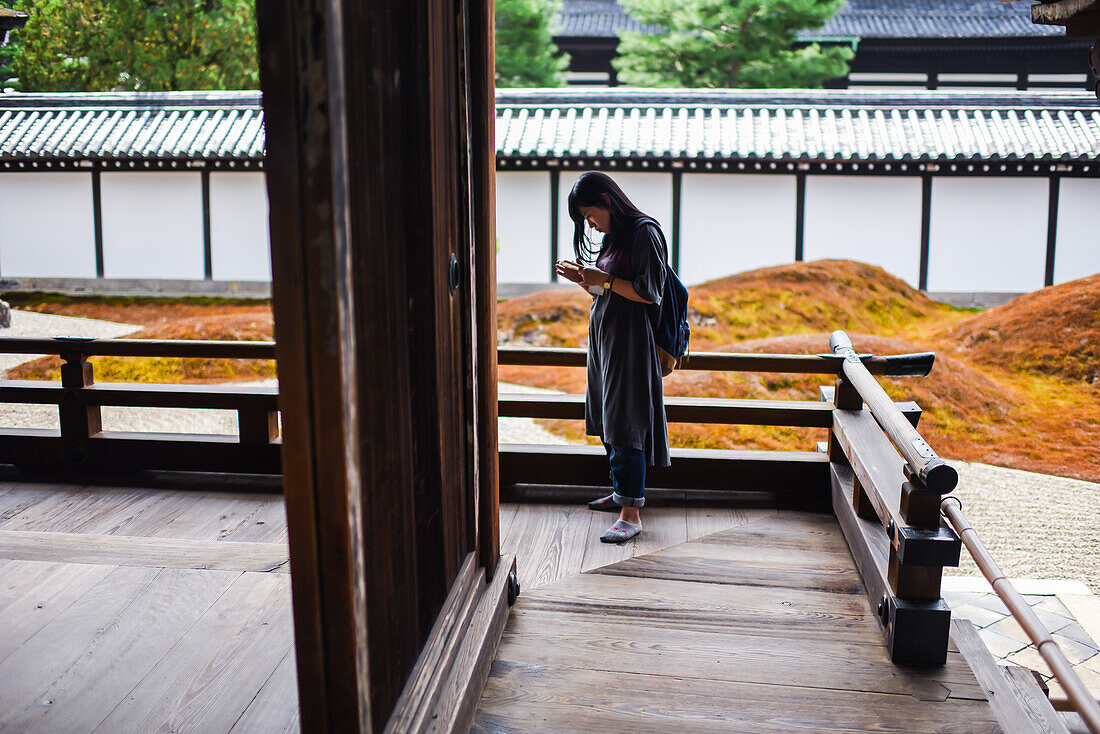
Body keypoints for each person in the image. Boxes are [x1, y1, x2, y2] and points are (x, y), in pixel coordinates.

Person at [554, 171, 670, 544]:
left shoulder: (643, 232)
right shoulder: (613, 237)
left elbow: (648, 292)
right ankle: (622, 493)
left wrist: (600, 280)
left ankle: (631, 514)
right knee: (607, 416)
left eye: (591, 214)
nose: (590, 223)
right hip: (606, 339)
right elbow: (607, 290)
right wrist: (586, 280)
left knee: (626, 421)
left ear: (607, 199)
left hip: (632, 341)